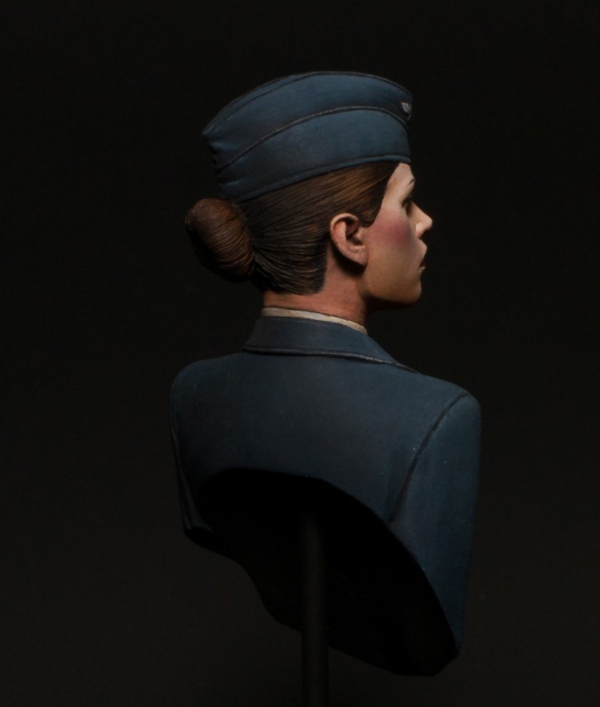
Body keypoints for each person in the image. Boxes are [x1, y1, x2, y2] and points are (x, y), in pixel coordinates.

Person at [170, 72, 480, 675]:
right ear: (350, 236)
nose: (424, 221)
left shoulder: (192, 396)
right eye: (406, 203)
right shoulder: (435, 421)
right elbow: (430, 638)